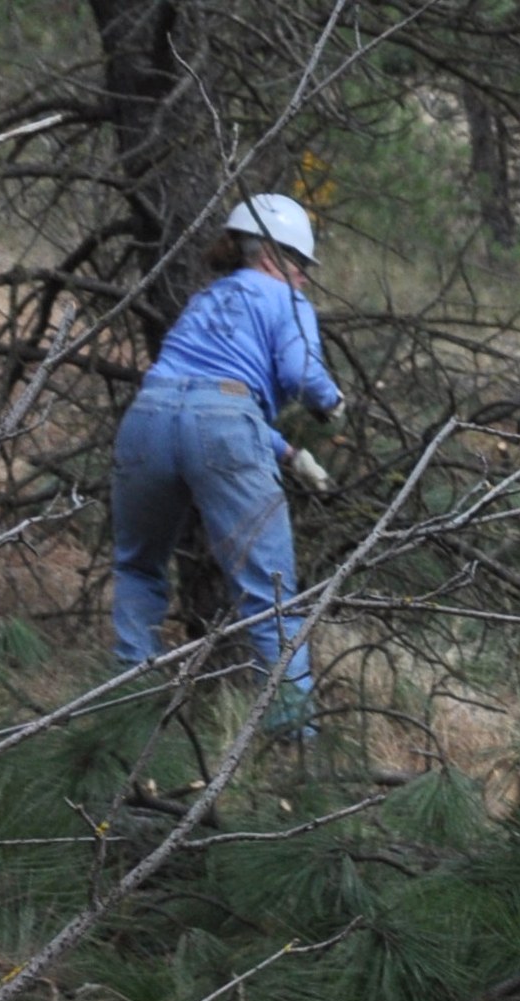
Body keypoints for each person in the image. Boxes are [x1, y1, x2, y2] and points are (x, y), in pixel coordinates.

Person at [112, 193, 346, 734]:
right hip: (224, 428)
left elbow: (195, 396)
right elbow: (297, 377)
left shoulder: (207, 299)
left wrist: (289, 454)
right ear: (273, 255)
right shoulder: (287, 299)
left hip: (147, 419)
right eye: (301, 263)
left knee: (138, 567)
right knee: (271, 594)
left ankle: (123, 717)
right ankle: (293, 737)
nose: (304, 277)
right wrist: (332, 402)